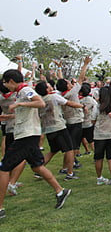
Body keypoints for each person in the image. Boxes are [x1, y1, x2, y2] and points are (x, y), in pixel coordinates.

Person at [0, 69, 72, 219]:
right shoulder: (21, 92)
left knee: (4, 168)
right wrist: (8, 115)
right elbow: (25, 110)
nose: (6, 86)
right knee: (37, 166)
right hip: (28, 134)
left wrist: (19, 103)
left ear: (11, 81)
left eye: (6, 83)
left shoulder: (25, 90)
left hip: (26, 135)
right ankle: (60, 191)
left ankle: (0, 208)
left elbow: (39, 103)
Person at [35, 81, 82, 181]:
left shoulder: (39, 100)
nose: (51, 87)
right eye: (48, 86)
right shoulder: (54, 97)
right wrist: (81, 106)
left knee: (53, 150)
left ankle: (39, 170)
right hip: (58, 126)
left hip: (47, 128)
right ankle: (70, 173)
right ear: (46, 89)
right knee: (69, 149)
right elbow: (69, 103)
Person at [91, 86, 111, 186]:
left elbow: (93, 120)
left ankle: (99, 178)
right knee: (110, 157)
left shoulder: (98, 107)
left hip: (99, 135)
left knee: (99, 158)